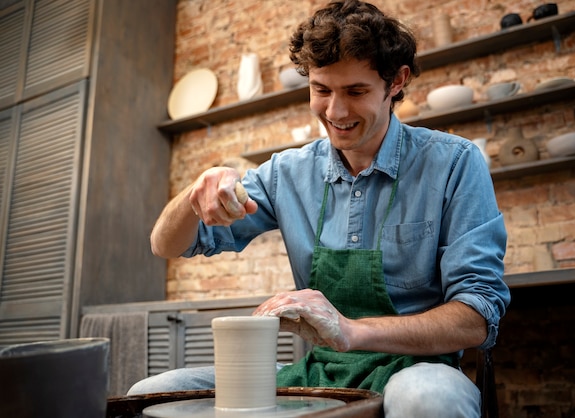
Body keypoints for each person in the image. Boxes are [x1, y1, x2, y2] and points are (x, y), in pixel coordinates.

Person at [128, 1, 510, 416]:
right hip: (319, 374)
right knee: (152, 392)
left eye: (356, 91)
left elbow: (475, 318)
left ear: (396, 82)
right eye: (321, 90)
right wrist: (193, 195)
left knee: (427, 399)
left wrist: (351, 331)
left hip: (417, 369)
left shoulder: (453, 163)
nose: (336, 112)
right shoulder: (286, 174)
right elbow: (165, 245)